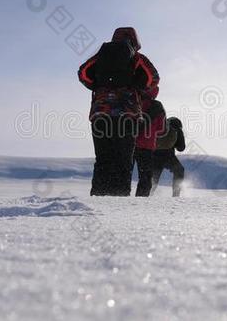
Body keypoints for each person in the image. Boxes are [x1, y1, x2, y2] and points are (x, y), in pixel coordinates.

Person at [78, 27, 160, 196]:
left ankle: (98, 200)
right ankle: (119, 205)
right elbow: (154, 78)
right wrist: (137, 86)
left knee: (103, 159)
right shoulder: (136, 57)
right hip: (127, 113)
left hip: (100, 113)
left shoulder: (100, 55)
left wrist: (99, 86)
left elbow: (83, 73)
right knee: (123, 160)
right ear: (134, 40)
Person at [133, 98, 165, 197]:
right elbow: (162, 129)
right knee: (145, 177)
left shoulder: (131, 99)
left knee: (122, 174)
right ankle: (140, 203)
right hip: (146, 146)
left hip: (128, 143)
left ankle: (116, 202)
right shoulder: (157, 106)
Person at [151, 117, 186, 197]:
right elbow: (181, 148)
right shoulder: (177, 129)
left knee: (153, 178)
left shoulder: (160, 127)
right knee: (179, 170)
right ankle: (176, 195)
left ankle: (147, 196)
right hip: (168, 156)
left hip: (155, 155)